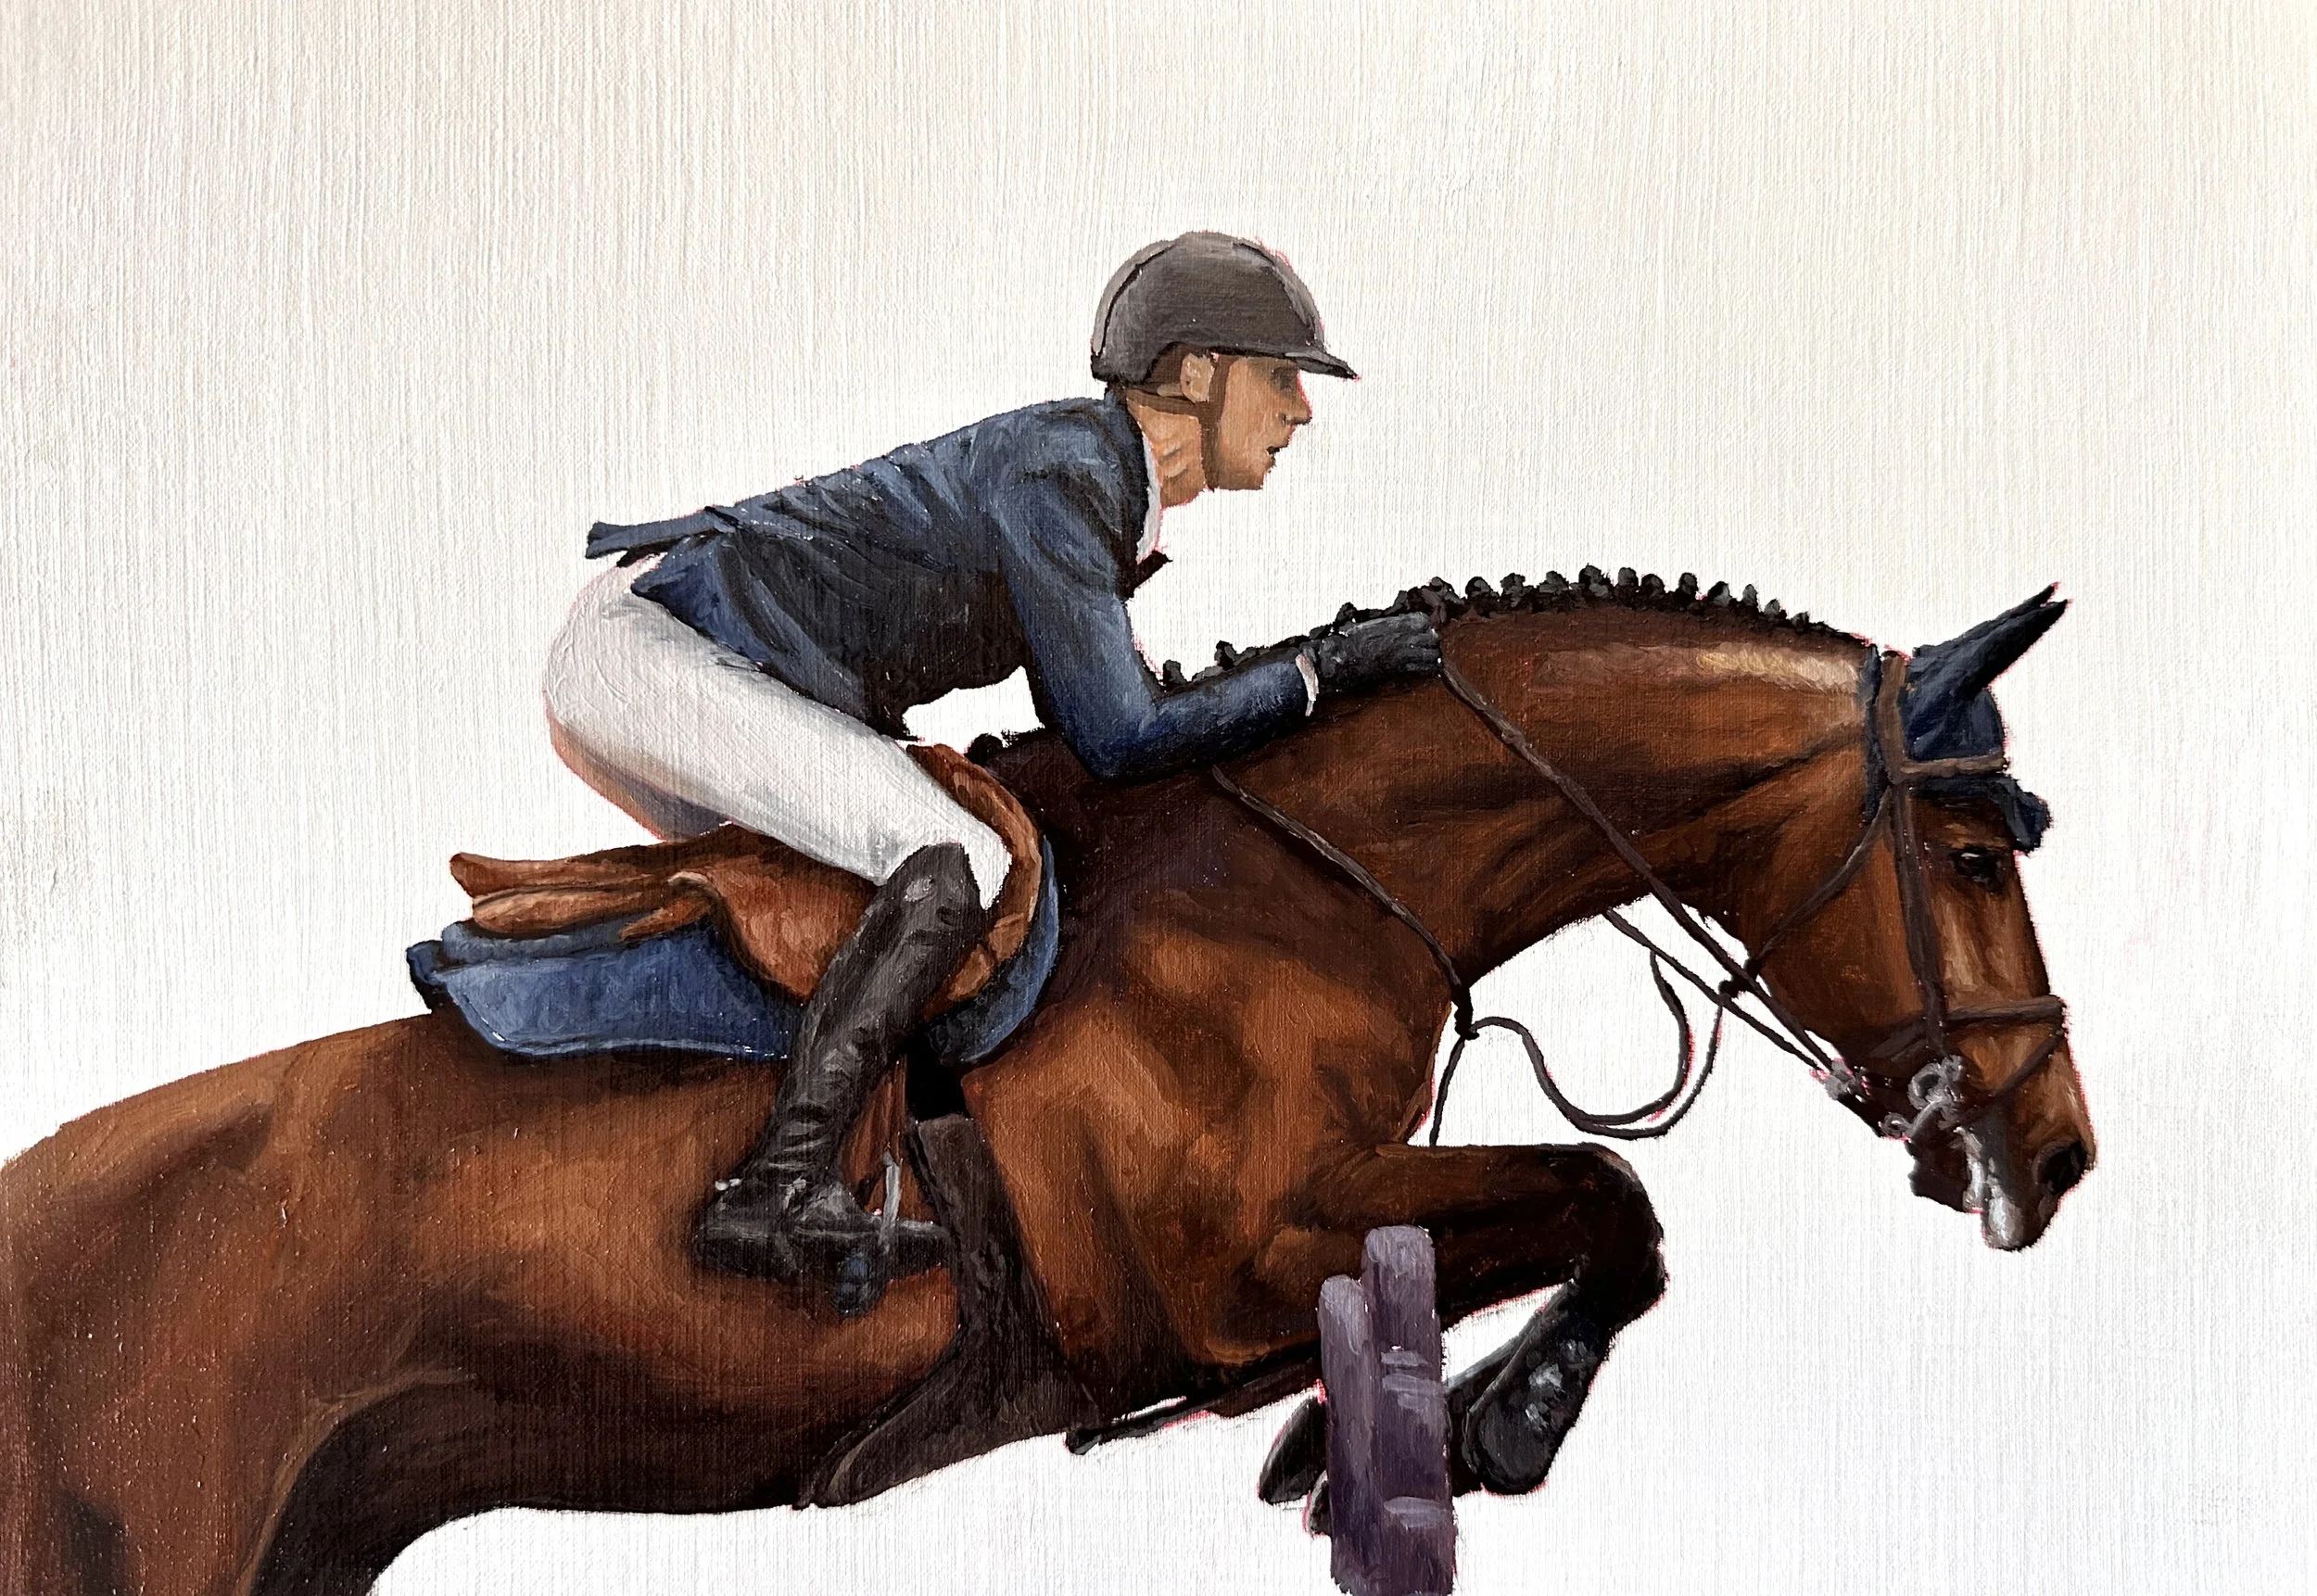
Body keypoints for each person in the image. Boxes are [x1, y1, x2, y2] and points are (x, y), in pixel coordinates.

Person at [543, 231, 1442, 1313]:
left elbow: (1098, 712)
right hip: (653, 655)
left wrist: (1285, 680)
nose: (1300, 410)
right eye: (1280, 376)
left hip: (689, 656)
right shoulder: (1062, 474)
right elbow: (1118, 737)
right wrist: (1311, 677)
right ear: (1197, 373)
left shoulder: (1094, 479)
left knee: (913, 858)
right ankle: (777, 1186)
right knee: (957, 853)